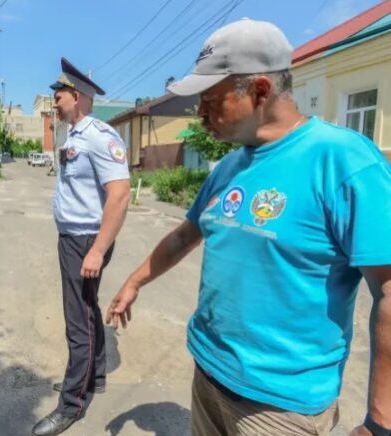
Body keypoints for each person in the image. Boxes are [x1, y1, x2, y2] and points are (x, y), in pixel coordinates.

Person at [105, 19, 391, 436]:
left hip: (280, 410)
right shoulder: (230, 166)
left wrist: (381, 422)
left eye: (211, 100)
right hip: (209, 377)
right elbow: (187, 233)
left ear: (260, 90)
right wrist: (134, 281)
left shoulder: (343, 161)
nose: (200, 114)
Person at [32, 58, 131, 436]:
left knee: (78, 322)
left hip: (86, 240)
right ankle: (95, 377)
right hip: (74, 237)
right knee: (88, 310)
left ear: (76, 96)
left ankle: (71, 404)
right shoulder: (73, 135)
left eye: (57, 97)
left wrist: (96, 250)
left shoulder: (99, 135)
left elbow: (119, 195)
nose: (53, 104)